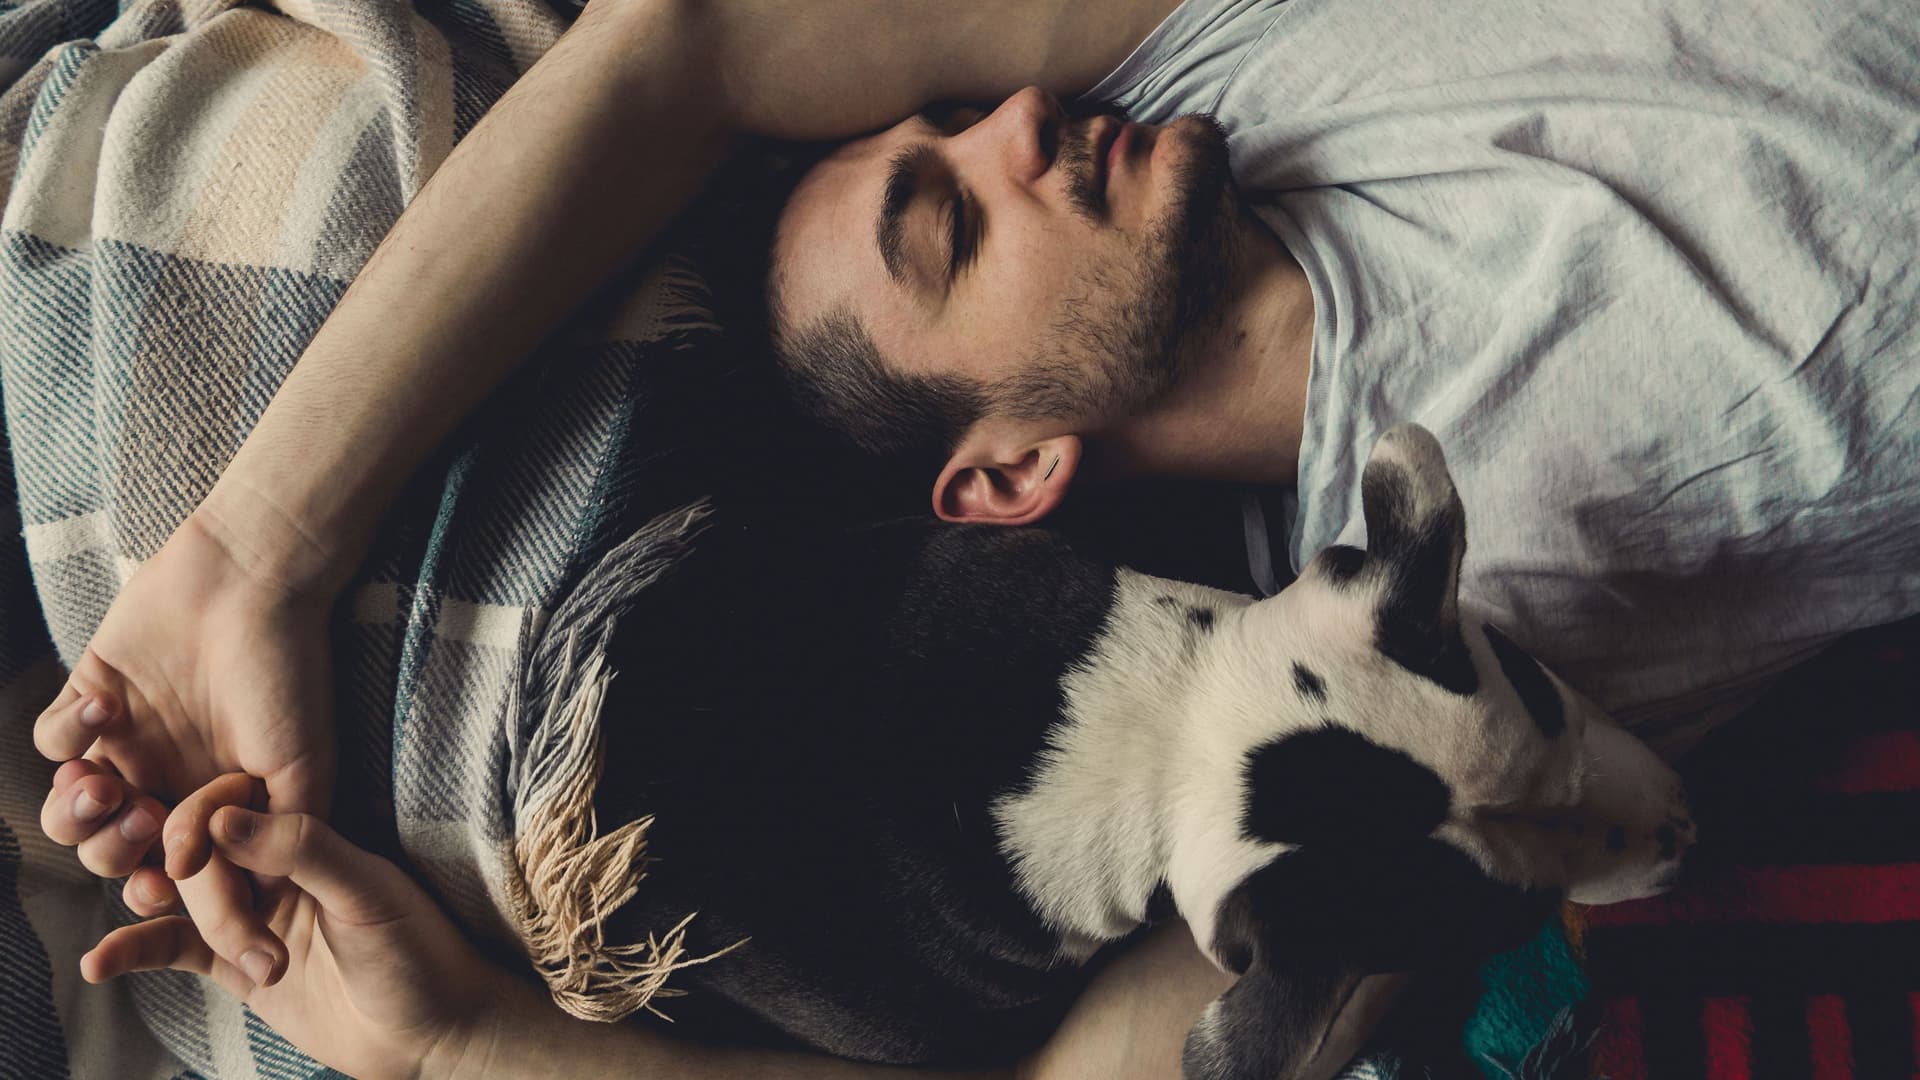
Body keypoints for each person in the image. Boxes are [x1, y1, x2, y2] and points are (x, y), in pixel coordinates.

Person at [32, 0, 1919, 1072]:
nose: (1021, 120)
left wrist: (245, 558)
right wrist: (450, 1052)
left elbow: (676, 52)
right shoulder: (1349, 704)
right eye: (947, 226)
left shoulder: (1208, 61)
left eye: (947, 119)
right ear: (1005, 476)